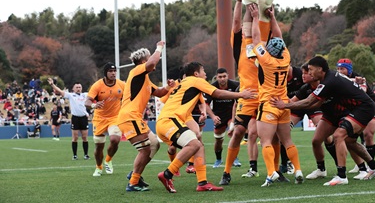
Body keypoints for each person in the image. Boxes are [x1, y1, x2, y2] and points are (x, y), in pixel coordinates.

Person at [270, 56, 375, 186]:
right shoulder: (326, 79)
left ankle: (342, 175)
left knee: (339, 135)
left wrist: (284, 105)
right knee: (332, 140)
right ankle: (374, 167)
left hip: (363, 108)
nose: (309, 73)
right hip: (340, 112)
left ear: (320, 69)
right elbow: (313, 104)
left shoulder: (329, 81)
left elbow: (309, 101)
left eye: (311, 70)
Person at [156, 61, 255, 193]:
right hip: (170, 120)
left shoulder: (185, 83)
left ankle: (202, 182)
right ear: (196, 73)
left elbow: (201, 101)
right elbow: (218, 93)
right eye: (203, 71)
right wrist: (241, 95)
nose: (205, 74)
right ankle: (167, 174)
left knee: (198, 145)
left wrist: (203, 112)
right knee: (194, 144)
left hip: (167, 121)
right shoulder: (195, 80)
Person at [248, 3, 303, 187]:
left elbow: (256, 39)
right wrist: (272, 17)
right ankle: (298, 170)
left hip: (269, 104)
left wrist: (256, 17)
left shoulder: (267, 60)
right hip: (284, 104)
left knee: (265, 141)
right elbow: (279, 36)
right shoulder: (285, 58)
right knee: (287, 140)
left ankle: (271, 173)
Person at [219, 0, 262, 186]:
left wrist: (262, 13)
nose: (246, 30)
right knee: (238, 132)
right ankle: (226, 172)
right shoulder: (240, 45)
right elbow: (237, 21)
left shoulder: (262, 45)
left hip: (265, 95)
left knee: (267, 133)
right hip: (247, 96)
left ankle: (276, 169)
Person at [117, 41, 173, 192]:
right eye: (149, 58)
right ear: (143, 62)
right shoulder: (137, 71)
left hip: (135, 118)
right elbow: (153, 62)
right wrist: (159, 48)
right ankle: (133, 182)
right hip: (130, 117)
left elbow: (160, 92)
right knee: (145, 150)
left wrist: (169, 86)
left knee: (154, 144)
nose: (156, 60)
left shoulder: (144, 78)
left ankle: (135, 174)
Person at [335, 58, 375, 180]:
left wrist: (350, 80)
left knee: (368, 134)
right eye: (338, 69)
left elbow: (363, 90)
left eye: (342, 69)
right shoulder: (338, 79)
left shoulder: (359, 79)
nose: (339, 71)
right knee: (350, 138)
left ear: (349, 70)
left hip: (371, 106)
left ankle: (372, 168)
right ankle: (364, 165)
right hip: (356, 109)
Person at [85, 62, 125, 177]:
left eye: (114, 71)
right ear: (105, 73)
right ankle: (98, 167)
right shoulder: (97, 85)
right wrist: (93, 105)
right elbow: (87, 101)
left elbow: (129, 96)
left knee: (115, 139)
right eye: (110, 71)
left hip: (115, 118)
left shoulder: (121, 84)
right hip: (100, 119)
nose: (113, 73)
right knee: (99, 146)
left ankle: (108, 160)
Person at [47, 78, 90, 160]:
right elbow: (60, 91)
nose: (78, 89)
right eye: (76, 87)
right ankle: (75, 155)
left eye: (79, 87)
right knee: (75, 137)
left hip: (84, 118)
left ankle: (86, 154)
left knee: (85, 137)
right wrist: (52, 84)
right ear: (73, 89)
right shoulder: (70, 95)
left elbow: (96, 92)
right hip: (75, 118)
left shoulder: (85, 95)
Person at [208, 67, 241, 168]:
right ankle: (218, 159)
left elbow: (239, 101)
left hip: (232, 114)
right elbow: (206, 104)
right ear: (216, 77)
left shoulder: (235, 85)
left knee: (235, 134)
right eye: (220, 77)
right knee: (218, 139)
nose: (222, 79)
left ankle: (234, 157)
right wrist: (213, 117)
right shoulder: (212, 87)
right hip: (219, 116)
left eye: (224, 76)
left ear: (228, 76)